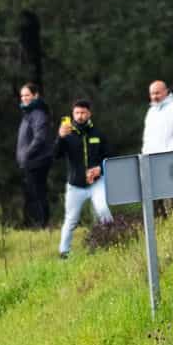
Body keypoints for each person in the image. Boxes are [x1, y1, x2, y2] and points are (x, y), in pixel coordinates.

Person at [55, 99, 111, 258]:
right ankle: (64, 253)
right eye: (77, 113)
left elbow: (109, 157)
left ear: (89, 114)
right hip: (76, 185)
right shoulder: (67, 133)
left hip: (97, 183)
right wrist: (60, 137)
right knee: (71, 220)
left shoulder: (98, 134)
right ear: (73, 114)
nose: (80, 116)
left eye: (83, 113)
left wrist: (100, 168)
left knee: (103, 210)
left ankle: (114, 241)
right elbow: (55, 155)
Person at [141, 80, 173, 217]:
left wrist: (167, 155)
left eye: (157, 93)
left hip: (169, 166)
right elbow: (147, 139)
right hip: (151, 166)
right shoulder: (151, 112)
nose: (154, 96)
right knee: (156, 210)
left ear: (166, 92)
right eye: (152, 93)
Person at [14, 82, 56, 228]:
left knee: (38, 193)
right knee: (32, 194)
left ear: (35, 95)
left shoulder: (38, 114)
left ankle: (43, 224)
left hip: (37, 161)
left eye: (27, 95)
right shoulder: (28, 114)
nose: (24, 98)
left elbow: (40, 138)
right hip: (30, 161)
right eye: (22, 96)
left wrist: (26, 154)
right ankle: (36, 224)